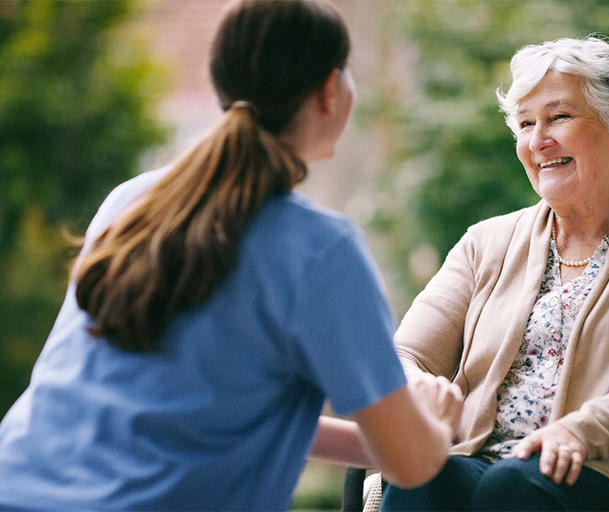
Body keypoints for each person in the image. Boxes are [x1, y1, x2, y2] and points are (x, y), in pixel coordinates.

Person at [0, 1, 462, 510]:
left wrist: (374, 441)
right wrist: (435, 426)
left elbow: (208, 412)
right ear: (330, 91)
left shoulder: (132, 202)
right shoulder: (321, 251)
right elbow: (412, 465)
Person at [381, 36, 609, 511]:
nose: (537, 141)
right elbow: (407, 354)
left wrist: (583, 431)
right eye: (526, 124)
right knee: (420, 479)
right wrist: (418, 385)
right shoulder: (484, 242)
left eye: (559, 118)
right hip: (482, 458)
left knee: (516, 487)